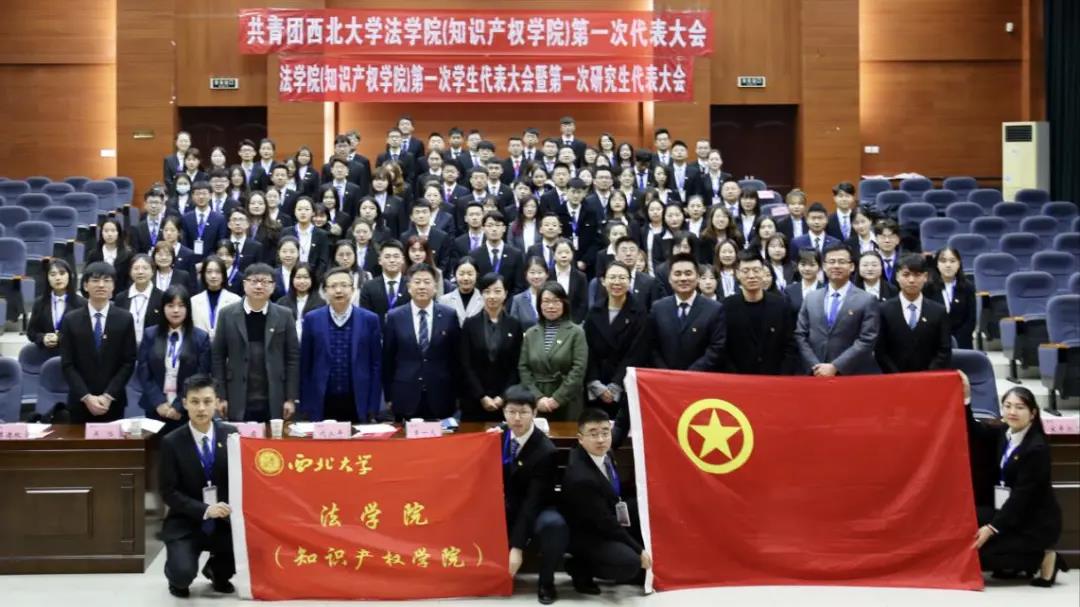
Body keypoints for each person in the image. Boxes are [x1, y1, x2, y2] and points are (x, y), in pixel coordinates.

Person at [969, 387, 1067, 586]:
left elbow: (1021, 499)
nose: (1012, 412)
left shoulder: (1036, 449)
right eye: (1007, 406)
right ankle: (1013, 561)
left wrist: (991, 528)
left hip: (1032, 523)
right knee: (968, 519)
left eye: (1020, 407)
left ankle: (1045, 557)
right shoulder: (1004, 432)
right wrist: (965, 399)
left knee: (979, 556)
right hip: (1008, 511)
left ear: (1033, 413)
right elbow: (974, 429)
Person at [159, 374, 237, 598]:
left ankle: (216, 570)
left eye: (207, 401)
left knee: (249, 548)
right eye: (195, 401)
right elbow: (168, 492)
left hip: (223, 519)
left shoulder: (231, 435)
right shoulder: (171, 442)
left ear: (217, 402)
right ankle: (176, 574)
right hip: (186, 520)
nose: (201, 408)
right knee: (182, 576)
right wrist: (205, 510)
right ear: (185, 403)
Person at [561, 408, 651, 595]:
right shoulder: (581, 477)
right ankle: (579, 568)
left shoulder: (603, 453)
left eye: (605, 432)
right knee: (631, 563)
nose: (601, 440)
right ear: (580, 438)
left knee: (643, 507)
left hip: (609, 512)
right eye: (593, 434)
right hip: (588, 533)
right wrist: (638, 550)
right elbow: (606, 523)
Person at [498, 385, 569, 605]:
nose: (517, 418)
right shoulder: (499, 436)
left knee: (554, 525)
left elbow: (533, 502)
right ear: (504, 412)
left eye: (523, 412)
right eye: (511, 412)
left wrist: (517, 547)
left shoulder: (545, 451)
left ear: (535, 413)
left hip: (537, 506)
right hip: (506, 503)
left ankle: (546, 582)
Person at [211, 263, 300, 422]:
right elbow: (217, 357)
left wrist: (291, 398)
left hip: (274, 394)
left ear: (273, 286)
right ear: (244, 284)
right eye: (254, 281)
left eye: (265, 281)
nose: (259, 286)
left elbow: (293, 358)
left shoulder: (285, 315)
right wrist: (220, 396)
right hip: (237, 393)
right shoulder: (227, 314)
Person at [299, 267, 383, 423]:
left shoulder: (370, 319)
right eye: (333, 286)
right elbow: (306, 364)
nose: (339, 290)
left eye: (344, 285)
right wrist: (306, 404)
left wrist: (373, 405)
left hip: (358, 399)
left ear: (353, 289)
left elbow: (376, 365)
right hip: (322, 399)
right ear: (324, 291)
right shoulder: (312, 319)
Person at [59, 262, 137, 422]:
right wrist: (86, 397)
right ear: (85, 286)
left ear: (113, 286)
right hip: (80, 402)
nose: (101, 285)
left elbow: (128, 362)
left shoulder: (125, 319)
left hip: (113, 402)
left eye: (107, 280)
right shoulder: (70, 319)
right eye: (95, 280)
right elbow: (67, 364)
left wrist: (108, 396)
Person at [382, 263, 461, 420]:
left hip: (441, 393)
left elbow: (456, 358)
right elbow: (388, 359)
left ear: (435, 287)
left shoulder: (449, 315)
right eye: (417, 282)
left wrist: (457, 394)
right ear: (409, 287)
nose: (422, 286)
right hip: (405, 393)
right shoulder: (395, 317)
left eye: (427, 282)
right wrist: (389, 395)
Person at [794, 243, 880, 376]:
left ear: (852, 266)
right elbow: (800, 334)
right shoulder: (811, 298)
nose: (836, 266)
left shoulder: (867, 299)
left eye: (842, 262)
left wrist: (836, 366)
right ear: (824, 266)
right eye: (831, 261)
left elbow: (867, 339)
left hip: (851, 372)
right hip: (815, 372)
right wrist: (814, 365)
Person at [137, 285, 211, 434]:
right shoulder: (150, 334)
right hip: (155, 408)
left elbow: (201, 375)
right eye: (170, 305)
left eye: (181, 306)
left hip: (187, 408)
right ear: (163, 308)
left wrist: (179, 406)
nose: (176, 310)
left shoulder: (200, 337)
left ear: (188, 309)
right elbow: (144, 371)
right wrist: (158, 402)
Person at [584, 262, 650, 422]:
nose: (617, 282)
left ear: (629, 281)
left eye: (622, 277)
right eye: (612, 277)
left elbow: (637, 353)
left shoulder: (640, 312)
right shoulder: (594, 311)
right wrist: (594, 382)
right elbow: (587, 350)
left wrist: (616, 385)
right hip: (597, 386)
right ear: (603, 281)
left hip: (625, 385)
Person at [518, 282, 588, 422]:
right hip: (538, 401)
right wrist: (538, 398)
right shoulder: (531, 333)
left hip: (568, 400)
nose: (551, 306)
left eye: (556, 301)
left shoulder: (576, 332)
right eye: (546, 301)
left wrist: (557, 399)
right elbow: (523, 368)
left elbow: (579, 369)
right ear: (539, 304)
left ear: (564, 303)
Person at [459, 274, 524, 422]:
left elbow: (516, 365)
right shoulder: (470, 324)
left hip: (506, 400)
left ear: (505, 293)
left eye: (497, 291)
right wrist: (482, 396)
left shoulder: (514, 325)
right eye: (487, 291)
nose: (492, 296)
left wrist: (503, 396)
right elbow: (465, 364)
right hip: (474, 399)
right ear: (481, 294)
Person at [724, 250, 798, 375]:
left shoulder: (781, 305)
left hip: (775, 379)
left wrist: (782, 376)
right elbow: (723, 349)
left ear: (763, 272)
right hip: (738, 379)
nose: (751, 276)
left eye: (756, 270)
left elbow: (790, 346)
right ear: (737, 274)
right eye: (745, 271)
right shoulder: (727, 307)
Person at [648, 253, 726, 371]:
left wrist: (689, 374)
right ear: (669, 279)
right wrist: (666, 372)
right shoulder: (658, 308)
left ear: (698, 277)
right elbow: (651, 346)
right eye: (677, 274)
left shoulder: (715, 309)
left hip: (701, 377)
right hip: (665, 377)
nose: (683, 278)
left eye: (688, 273)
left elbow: (717, 347)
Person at [875, 254, 952, 373]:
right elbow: (880, 351)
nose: (911, 280)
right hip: (893, 378)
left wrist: (927, 375)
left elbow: (944, 350)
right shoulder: (883, 310)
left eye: (917, 275)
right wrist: (897, 376)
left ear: (925, 277)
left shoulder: (938, 311)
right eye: (906, 275)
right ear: (897, 276)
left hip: (929, 378)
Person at [28, 260, 85, 354]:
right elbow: (31, 332)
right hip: (46, 354)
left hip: (74, 355)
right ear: (47, 278)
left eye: (62, 273)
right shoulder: (39, 303)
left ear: (70, 276)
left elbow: (84, 334)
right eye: (53, 274)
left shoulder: (82, 303)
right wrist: (43, 338)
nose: (58, 278)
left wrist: (60, 338)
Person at [925, 246, 977, 349]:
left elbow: (971, 319)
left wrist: (956, 341)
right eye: (943, 261)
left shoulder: (968, 287)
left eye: (952, 261)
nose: (948, 265)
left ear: (959, 264)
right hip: (934, 342)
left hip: (962, 342)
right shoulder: (927, 288)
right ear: (937, 264)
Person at [115, 253, 163, 346]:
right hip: (126, 346)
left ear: (153, 271)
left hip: (153, 346)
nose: (140, 272)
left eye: (145, 268)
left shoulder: (161, 297)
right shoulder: (121, 298)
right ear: (130, 272)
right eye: (136, 268)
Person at [191, 256, 241, 340]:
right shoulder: (193, 301)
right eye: (209, 272)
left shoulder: (236, 301)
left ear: (224, 275)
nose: (213, 276)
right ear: (203, 275)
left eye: (218, 272)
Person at [359, 239, 410, 322]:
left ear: (403, 260)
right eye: (387, 257)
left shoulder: (411, 285)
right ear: (380, 260)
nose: (392, 260)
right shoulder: (368, 286)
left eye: (396, 256)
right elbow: (364, 316)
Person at [275, 263, 325, 340]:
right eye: (298, 277)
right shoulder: (282, 302)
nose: (302, 281)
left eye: (306, 277)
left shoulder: (321, 303)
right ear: (292, 279)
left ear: (312, 279)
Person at [86, 217, 134, 293]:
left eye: (113, 231)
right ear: (101, 233)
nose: (109, 234)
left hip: (121, 295)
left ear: (118, 233)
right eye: (106, 231)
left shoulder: (128, 254)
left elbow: (130, 279)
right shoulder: (94, 254)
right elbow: (87, 277)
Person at [549, 238, 588, 323]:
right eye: (560, 253)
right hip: (551, 321)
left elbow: (583, 303)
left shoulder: (581, 277)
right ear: (554, 255)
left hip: (574, 322)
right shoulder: (547, 276)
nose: (564, 256)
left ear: (572, 254)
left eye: (567, 252)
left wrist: (574, 323)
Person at [438, 256, 484, 327]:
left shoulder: (484, 300)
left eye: (470, 274)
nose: (466, 278)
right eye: (461, 274)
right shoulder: (443, 301)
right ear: (455, 275)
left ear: (477, 275)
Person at [510, 256, 548, 329]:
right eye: (532, 272)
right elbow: (513, 328)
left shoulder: (554, 297)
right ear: (526, 275)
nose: (536, 276)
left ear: (547, 274)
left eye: (540, 272)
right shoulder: (518, 300)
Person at [785, 249, 823, 314]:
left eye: (812, 265)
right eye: (803, 264)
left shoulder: (825, 289)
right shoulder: (789, 290)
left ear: (819, 267)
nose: (807, 268)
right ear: (797, 266)